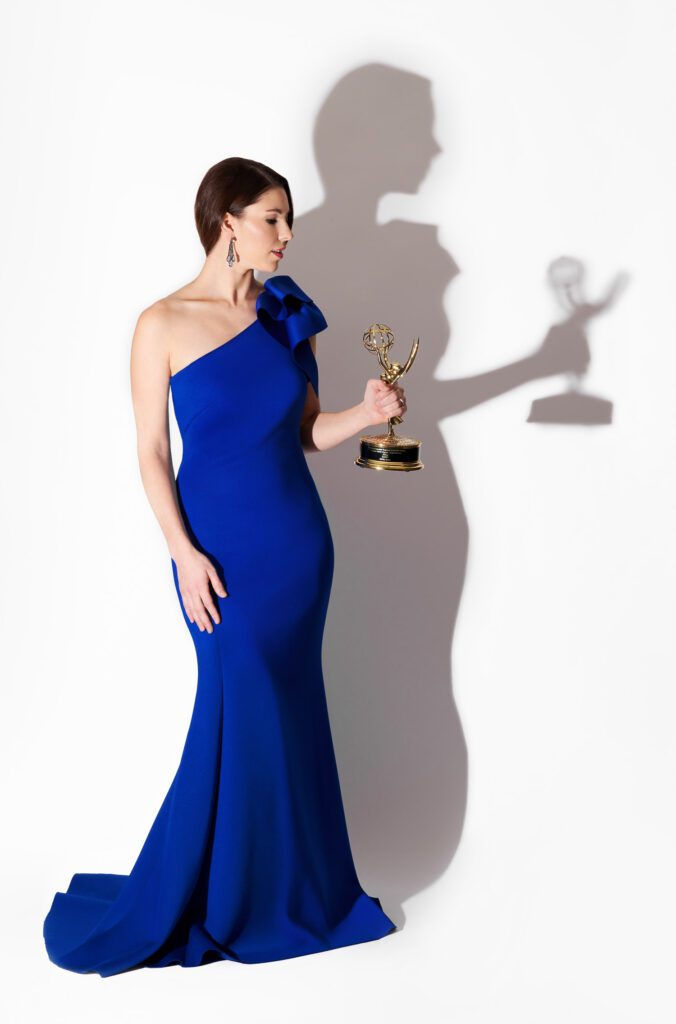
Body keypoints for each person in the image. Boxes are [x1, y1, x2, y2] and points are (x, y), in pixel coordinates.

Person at [43, 156, 404, 975]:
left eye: (288, 221)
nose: (285, 236)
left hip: (297, 550)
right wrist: (183, 555)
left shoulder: (286, 314)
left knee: (290, 714)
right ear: (226, 220)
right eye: (271, 219)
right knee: (236, 706)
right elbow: (149, 454)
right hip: (216, 554)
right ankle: (216, 893)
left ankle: (293, 893)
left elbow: (308, 434)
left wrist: (369, 413)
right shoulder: (161, 322)